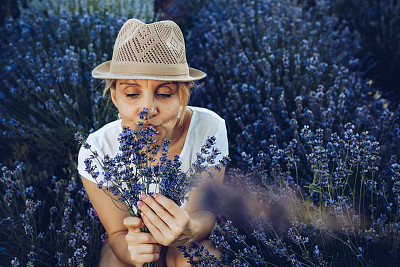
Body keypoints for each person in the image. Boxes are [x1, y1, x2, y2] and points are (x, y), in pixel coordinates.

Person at [77, 18, 228, 267]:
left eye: (164, 93)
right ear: (114, 96)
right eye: (132, 94)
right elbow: (117, 233)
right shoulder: (97, 150)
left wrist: (190, 230)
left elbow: (205, 212)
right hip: (131, 244)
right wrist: (134, 250)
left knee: (196, 260)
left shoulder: (209, 128)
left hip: (192, 241)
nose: (147, 108)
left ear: (183, 95)